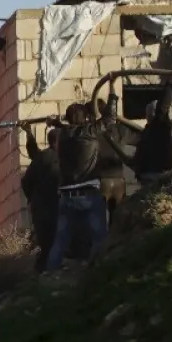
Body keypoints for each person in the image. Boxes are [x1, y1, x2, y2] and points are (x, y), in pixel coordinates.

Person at [45, 104, 116, 271]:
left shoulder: (62, 135)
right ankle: (100, 272)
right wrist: (112, 93)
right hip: (89, 196)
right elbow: (110, 118)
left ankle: (48, 275)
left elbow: (69, 128)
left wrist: (56, 122)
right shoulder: (90, 132)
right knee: (99, 238)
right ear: (84, 118)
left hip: (66, 197)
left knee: (60, 241)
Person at [22, 126, 62, 271]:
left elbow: (26, 181)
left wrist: (31, 198)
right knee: (52, 241)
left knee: (43, 242)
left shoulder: (41, 158)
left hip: (39, 208)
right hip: (54, 208)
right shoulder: (60, 159)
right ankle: (47, 271)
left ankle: (41, 271)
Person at [133, 80, 172, 182]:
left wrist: (170, 83)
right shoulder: (154, 128)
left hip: (153, 173)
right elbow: (162, 107)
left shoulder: (158, 127)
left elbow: (162, 107)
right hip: (153, 173)